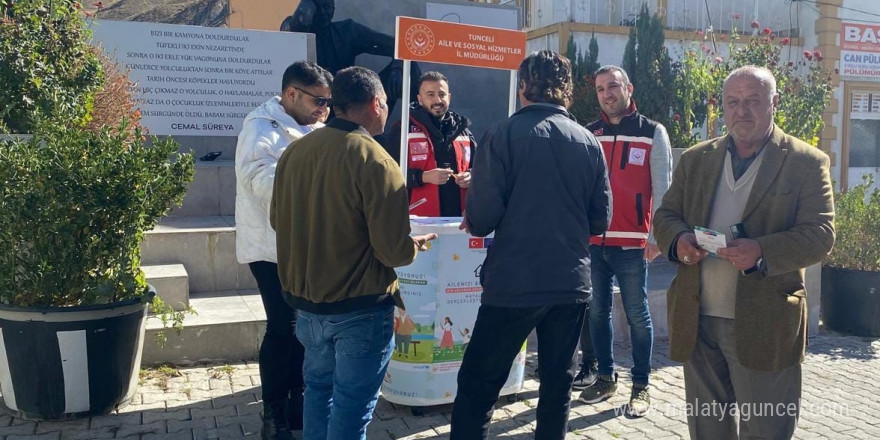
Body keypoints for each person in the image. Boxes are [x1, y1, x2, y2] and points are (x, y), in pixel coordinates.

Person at [652, 66, 835, 439]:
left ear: (774, 103)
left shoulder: (805, 162)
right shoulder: (697, 159)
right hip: (698, 317)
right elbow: (667, 215)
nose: (742, 111)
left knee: (767, 428)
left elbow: (821, 234)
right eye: (733, 102)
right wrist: (679, 241)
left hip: (766, 321)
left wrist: (762, 250)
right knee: (707, 428)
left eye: (753, 101)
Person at [450, 50, 612, 440]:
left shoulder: (503, 135)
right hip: (569, 283)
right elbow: (600, 219)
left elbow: (483, 216)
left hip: (513, 283)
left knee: (478, 385)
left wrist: (475, 217)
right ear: (568, 90)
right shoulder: (589, 141)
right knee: (558, 385)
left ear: (524, 86)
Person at [270, 66, 436, 440]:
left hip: (307, 309)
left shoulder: (295, 152)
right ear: (376, 103)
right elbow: (393, 251)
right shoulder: (377, 161)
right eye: (388, 104)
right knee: (351, 409)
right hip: (359, 309)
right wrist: (414, 244)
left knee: (318, 394)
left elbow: (279, 221)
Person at [234, 60, 332, 440]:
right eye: (318, 101)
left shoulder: (315, 127)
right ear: (291, 94)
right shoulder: (261, 128)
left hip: (307, 247)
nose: (324, 109)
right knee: (282, 326)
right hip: (270, 247)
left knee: (304, 328)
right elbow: (261, 179)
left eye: (328, 103)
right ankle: (273, 412)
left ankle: (298, 401)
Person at [577, 65, 672, 417]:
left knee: (637, 315)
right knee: (598, 313)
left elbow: (664, 188)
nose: (607, 94)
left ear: (628, 88)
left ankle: (641, 385)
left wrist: (656, 236)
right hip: (593, 242)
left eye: (613, 86)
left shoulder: (651, 132)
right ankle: (605, 377)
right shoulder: (590, 133)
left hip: (633, 243)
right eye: (601, 89)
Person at [384, 71, 477, 216]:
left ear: (449, 97)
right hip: (418, 221)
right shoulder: (403, 130)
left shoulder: (463, 131)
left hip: (459, 221)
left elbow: (481, 167)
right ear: (420, 99)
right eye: (430, 95)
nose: (437, 100)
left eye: (442, 94)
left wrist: (471, 176)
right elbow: (387, 175)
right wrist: (422, 177)